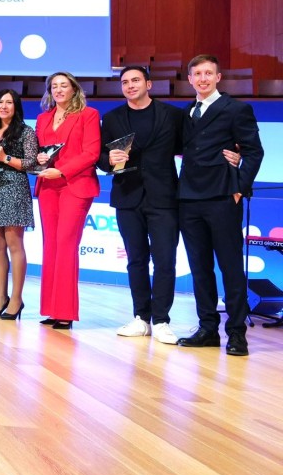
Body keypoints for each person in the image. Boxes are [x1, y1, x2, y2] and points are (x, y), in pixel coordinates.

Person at [176, 54, 264, 356]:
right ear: (189, 79)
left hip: (223, 197)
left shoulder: (236, 109)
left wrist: (239, 187)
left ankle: (237, 333)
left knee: (230, 268)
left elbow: (254, 151)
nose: (202, 78)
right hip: (188, 199)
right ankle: (207, 329)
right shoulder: (187, 112)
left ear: (218, 77)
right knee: (200, 269)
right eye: (197, 74)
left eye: (208, 73)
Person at [97, 66, 184, 344]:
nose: (130, 85)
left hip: (165, 197)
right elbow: (99, 157)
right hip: (127, 196)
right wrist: (108, 160)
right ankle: (141, 318)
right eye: (125, 82)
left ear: (149, 83)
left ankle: (161, 320)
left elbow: (191, 148)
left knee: (165, 261)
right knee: (136, 260)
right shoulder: (111, 118)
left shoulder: (172, 115)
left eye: (136, 80)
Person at [34, 72, 101, 330]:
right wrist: (42, 159)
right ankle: (51, 309)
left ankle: (65, 312)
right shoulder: (43, 118)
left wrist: (62, 170)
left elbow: (91, 152)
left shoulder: (88, 115)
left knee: (66, 245)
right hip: (48, 185)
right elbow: (44, 151)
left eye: (64, 85)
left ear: (74, 89)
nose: (59, 90)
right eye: (55, 86)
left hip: (75, 184)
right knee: (50, 246)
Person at [0, 89, 38, 320]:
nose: (4, 106)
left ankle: (16, 299)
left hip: (14, 188)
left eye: (9, 102)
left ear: (16, 106)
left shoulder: (25, 132)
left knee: (15, 245)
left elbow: (31, 164)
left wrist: (5, 158)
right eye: (0, 102)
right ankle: (0, 297)